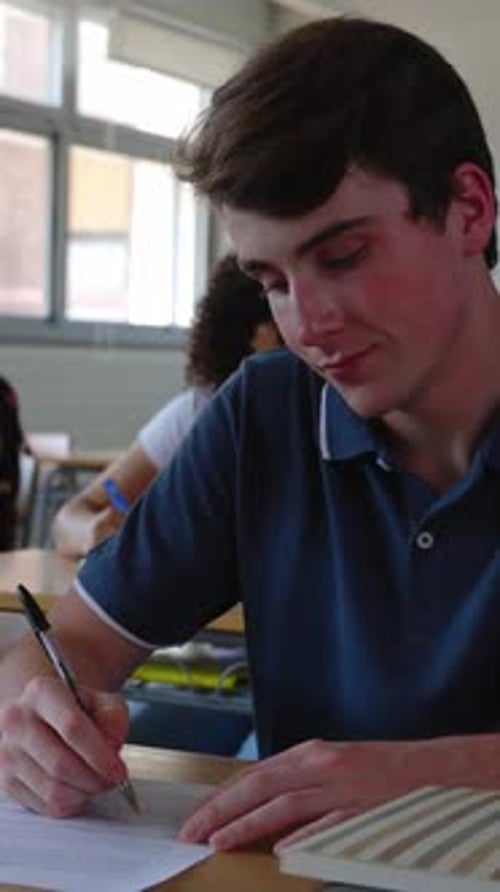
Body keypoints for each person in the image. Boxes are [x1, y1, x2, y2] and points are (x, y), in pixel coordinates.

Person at [1, 15, 500, 855]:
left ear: (469, 211)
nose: (309, 323)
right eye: (272, 281)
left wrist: (432, 777)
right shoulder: (263, 415)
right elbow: (74, 642)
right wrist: (33, 716)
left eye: (343, 256)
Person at [51, 254, 281, 560]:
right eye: (279, 305)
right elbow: (71, 517)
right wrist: (95, 532)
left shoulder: (330, 413)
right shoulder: (199, 412)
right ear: (253, 334)